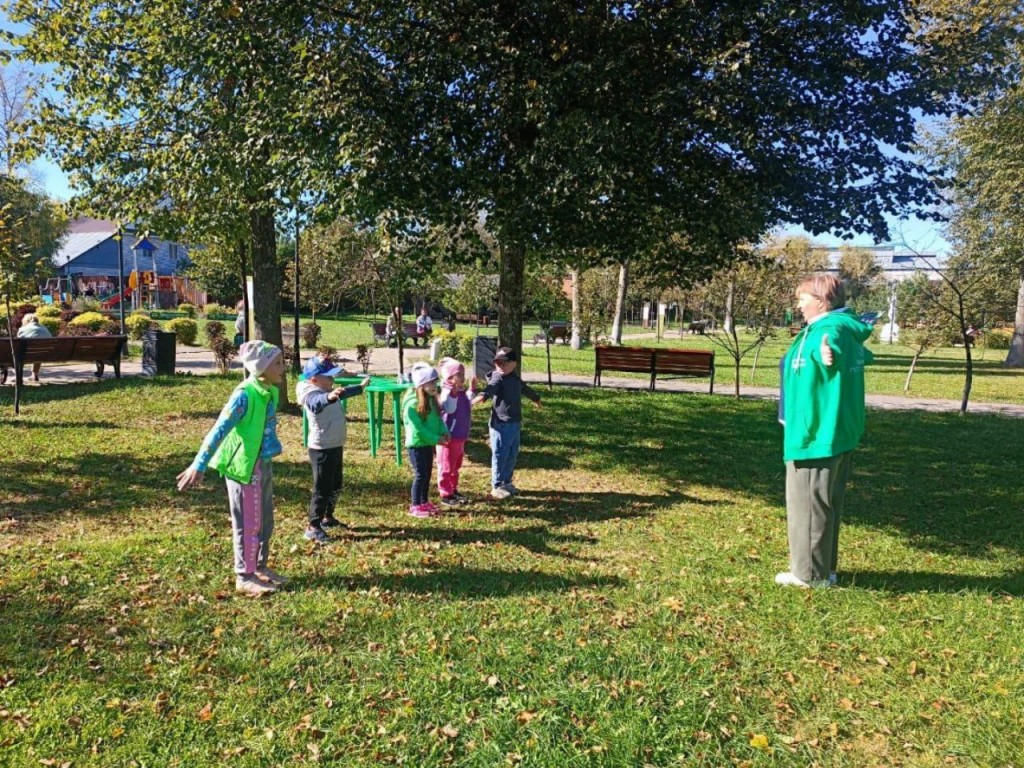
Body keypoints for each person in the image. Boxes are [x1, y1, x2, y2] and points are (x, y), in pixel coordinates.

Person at [777, 274, 873, 590]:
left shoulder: (829, 329)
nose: (799, 305)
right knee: (825, 502)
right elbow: (855, 352)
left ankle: (809, 576)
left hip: (816, 433)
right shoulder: (845, 328)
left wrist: (825, 350)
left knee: (808, 503)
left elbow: (826, 346)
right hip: (833, 431)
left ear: (820, 300)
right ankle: (823, 570)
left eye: (802, 298)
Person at [176, 341, 287, 597]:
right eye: (278, 363)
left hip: (262, 463)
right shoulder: (245, 394)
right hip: (243, 467)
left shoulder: (267, 390)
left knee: (264, 520)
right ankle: (244, 576)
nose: (284, 368)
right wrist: (199, 464)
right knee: (248, 522)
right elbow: (219, 429)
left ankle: (259, 567)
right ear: (261, 368)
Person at [295, 354, 370, 543]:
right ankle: (313, 526)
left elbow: (341, 392)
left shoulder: (328, 389)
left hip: (335, 445)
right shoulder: (309, 393)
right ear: (314, 379)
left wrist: (360, 388)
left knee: (335, 484)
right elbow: (315, 403)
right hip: (322, 449)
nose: (332, 379)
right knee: (322, 488)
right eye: (328, 377)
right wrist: (328, 396)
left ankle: (328, 517)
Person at [471, 347, 541, 500]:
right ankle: (497, 485)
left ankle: (507, 482)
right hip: (500, 424)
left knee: (512, 453)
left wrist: (536, 398)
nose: (500, 366)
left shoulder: (514, 378)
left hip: (515, 422)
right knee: (500, 454)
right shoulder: (498, 378)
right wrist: (478, 398)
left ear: (514, 363)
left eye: (504, 363)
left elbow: (525, 389)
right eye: (497, 363)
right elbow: (489, 389)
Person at [402, 362, 450, 518]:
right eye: (431, 382)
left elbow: (438, 419)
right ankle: (415, 505)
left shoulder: (430, 400)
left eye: (435, 382)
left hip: (428, 444)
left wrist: (444, 431)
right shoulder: (412, 405)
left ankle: (424, 501)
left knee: (427, 473)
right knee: (420, 474)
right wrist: (437, 439)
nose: (434, 385)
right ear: (421, 384)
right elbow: (418, 430)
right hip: (417, 445)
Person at [436, 357, 474, 507]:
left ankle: (453, 488)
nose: (463, 377)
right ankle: (445, 493)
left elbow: (467, 404)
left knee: (455, 465)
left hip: (460, 435)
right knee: (446, 465)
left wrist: (471, 390)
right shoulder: (447, 391)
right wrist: (453, 393)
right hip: (449, 436)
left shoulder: (460, 391)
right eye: (460, 374)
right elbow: (449, 408)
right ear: (450, 377)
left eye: (463, 373)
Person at [18, 313, 53, 382]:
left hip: (26, 355)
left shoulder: (23, 329)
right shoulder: (44, 328)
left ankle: (18, 377)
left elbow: (18, 344)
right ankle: (34, 374)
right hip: (45, 354)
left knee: (19, 353)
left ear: (26, 321)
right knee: (39, 351)